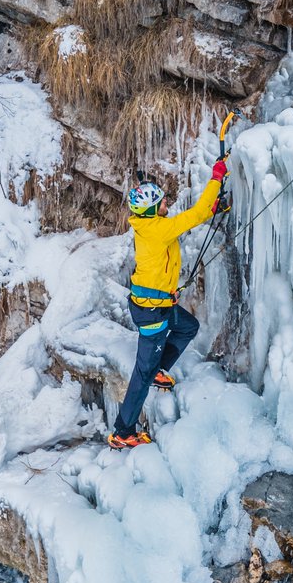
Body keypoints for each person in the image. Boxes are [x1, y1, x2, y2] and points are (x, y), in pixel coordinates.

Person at [108, 158, 229, 448]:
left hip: (157, 302)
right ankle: (123, 432)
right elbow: (196, 214)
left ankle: (159, 369)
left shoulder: (151, 225)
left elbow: (165, 254)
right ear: (152, 210)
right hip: (151, 313)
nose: (167, 205)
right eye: (162, 203)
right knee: (142, 372)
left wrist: (166, 293)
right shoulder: (157, 229)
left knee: (188, 326)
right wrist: (216, 176)